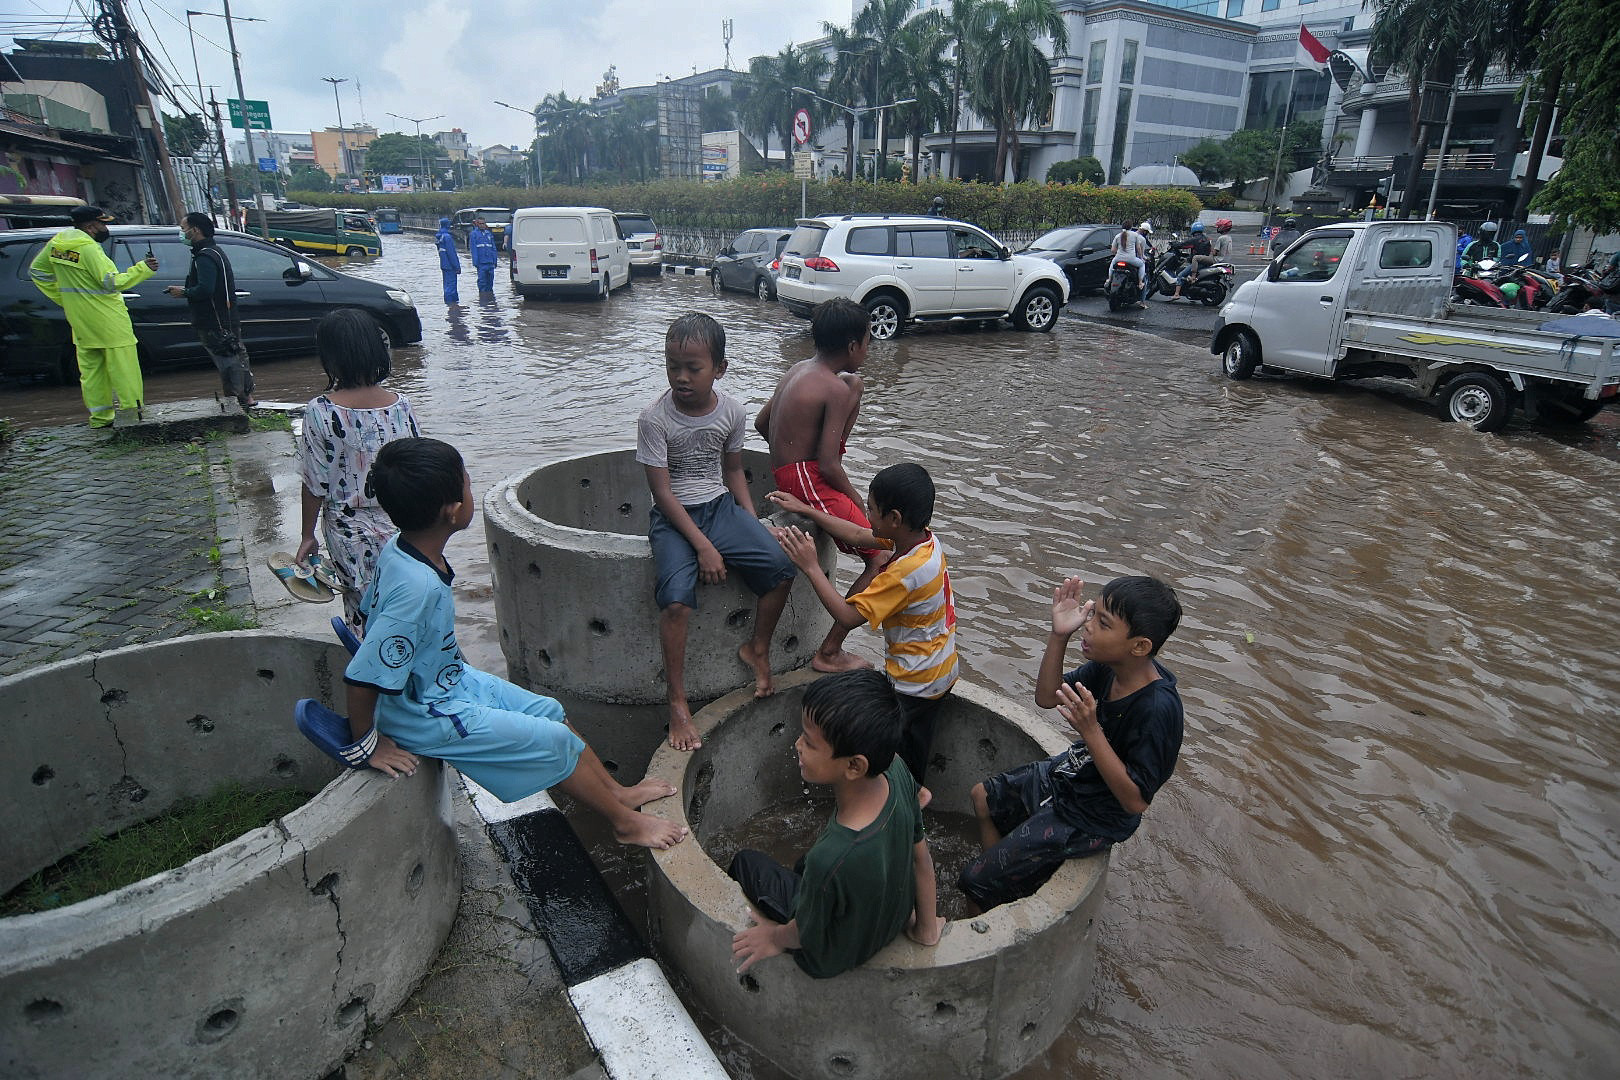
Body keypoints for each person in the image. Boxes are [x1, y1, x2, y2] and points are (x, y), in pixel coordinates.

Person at [341, 436, 687, 850]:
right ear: (452, 512)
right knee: (553, 740)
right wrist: (369, 744)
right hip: (421, 711)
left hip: (445, 682)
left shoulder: (401, 548)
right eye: (467, 484)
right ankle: (623, 823)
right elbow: (363, 675)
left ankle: (616, 793)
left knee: (550, 711)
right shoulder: (416, 588)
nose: (472, 489)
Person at [958, 575, 1183, 913]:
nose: (1088, 626)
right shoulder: (1110, 668)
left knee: (974, 881)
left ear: (1139, 646)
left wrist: (1091, 731)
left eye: (1102, 622)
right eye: (1092, 614)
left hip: (1095, 814)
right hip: (1077, 774)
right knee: (983, 797)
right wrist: (1058, 635)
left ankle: (990, 893)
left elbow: (1135, 802)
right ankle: (1002, 880)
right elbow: (1048, 697)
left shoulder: (1157, 709)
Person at [637, 313, 797, 752]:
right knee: (676, 603)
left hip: (719, 507)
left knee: (781, 569)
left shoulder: (732, 411)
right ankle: (678, 702)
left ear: (719, 369)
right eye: (673, 366)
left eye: (694, 368)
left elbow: (732, 471)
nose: (681, 377)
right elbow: (663, 493)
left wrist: (750, 520)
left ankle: (757, 648)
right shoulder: (654, 418)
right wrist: (704, 547)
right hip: (673, 517)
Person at [729, 668, 943, 977]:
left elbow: (803, 932)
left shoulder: (832, 857)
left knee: (746, 862)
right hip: (891, 922)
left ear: (854, 765)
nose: (797, 745)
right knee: (806, 866)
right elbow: (921, 858)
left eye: (810, 743)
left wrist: (774, 937)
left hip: (832, 955)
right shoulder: (897, 770)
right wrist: (926, 929)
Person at [768, 463, 957, 790]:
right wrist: (805, 509)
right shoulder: (922, 542)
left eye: (870, 508)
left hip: (914, 684)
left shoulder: (904, 573)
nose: (865, 514)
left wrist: (811, 566)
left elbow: (847, 616)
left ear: (894, 519)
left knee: (899, 767)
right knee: (915, 749)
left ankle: (905, 810)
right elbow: (856, 534)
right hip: (939, 669)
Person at [754, 298, 883, 673]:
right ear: (852, 345)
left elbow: (763, 425)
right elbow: (829, 464)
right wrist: (859, 500)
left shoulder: (798, 369)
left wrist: (790, 450)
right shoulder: (833, 390)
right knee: (881, 556)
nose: (868, 348)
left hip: (794, 471)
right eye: (868, 340)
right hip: (808, 477)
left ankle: (831, 648)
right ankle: (829, 651)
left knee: (854, 384)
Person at [296, 309, 422, 629]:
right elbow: (420, 468)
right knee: (406, 607)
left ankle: (370, 671)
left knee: (364, 609)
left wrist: (307, 535)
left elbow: (314, 484)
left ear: (331, 357)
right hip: (403, 526)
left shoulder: (321, 411)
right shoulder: (400, 405)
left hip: (348, 533)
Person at [28, 205, 157, 427]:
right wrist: (143, 268)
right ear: (90, 226)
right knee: (125, 369)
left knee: (91, 371)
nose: (105, 228)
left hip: (80, 320)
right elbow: (112, 282)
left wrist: (63, 297)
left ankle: (100, 418)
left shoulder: (56, 245)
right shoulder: (89, 248)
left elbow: (37, 272)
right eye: (102, 223)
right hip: (108, 320)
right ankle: (133, 416)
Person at [165, 212, 255, 409]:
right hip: (226, 318)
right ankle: (246, 399)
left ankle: (237, 406)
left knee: (228, 362)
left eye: (183, 229)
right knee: (237, 357)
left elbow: (206, 289)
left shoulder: (205, 257)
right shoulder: (214, 252)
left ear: (195, 230)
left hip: (215, 321)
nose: (182, 233)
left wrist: (184, 292)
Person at [1168, 222, 1213, 301]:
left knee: (1180, 275)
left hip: (1197, 263)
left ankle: (1176, 294)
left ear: (1193, 229)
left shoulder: (1195, 239)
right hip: (1205, 262)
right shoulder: (1206, 238)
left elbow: (1183, 245)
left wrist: (1174, 244)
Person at [1110, 221, 1148, 307]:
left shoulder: (1118, 236)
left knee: (1112, 264)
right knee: (1142, 264)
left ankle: (1108, 279)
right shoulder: (1135, 235)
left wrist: (1118, 254)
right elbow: (1138, 248)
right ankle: (1140, 282)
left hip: (1118, 258)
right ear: (1131, 227)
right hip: (1131, 259)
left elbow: (1113, 250)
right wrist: (1142, 257)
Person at [468, 216, 499, 294]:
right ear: (477, 224)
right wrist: (475, 262)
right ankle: (483, 299)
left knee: (490, 282)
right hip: (481, 263)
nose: (482, 225)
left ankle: (490, 299)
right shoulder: (474, 234)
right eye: (480, 223)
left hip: (490, 262)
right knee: (482, 282)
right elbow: (473, 249)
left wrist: (495, 261)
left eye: (483, 223)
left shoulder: (488, 234)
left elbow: (493, 248)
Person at [434, 216, 461, 304]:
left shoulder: (439, 237)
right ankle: (452, 306)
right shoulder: (447, 237)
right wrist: (457, 266)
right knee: (451, 287)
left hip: (444, 264)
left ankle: (449, 306)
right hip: (450, 266)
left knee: (446, 286)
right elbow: (451, 254)